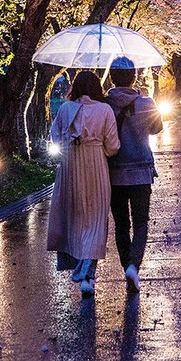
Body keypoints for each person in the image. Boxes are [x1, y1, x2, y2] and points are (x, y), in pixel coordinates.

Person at [46, 70, 119, 298]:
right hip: (96, 165)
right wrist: (100, 150)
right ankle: (88, 273)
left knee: (74, 218)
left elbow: (55, 136)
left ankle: (80, 266)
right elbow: (113, 145)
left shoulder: (66, 108)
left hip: (70, 166)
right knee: (96, 220)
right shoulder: (105, 109)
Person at [105, 57, 164, 293]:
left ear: (111, 77)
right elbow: (157, 128)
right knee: (140, 223)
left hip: (114, 172)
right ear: (134, 76)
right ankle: (134, 267)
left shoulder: (105, 104)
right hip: (140, 171)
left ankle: (126, 264)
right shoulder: (147, 103)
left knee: (121, 224)